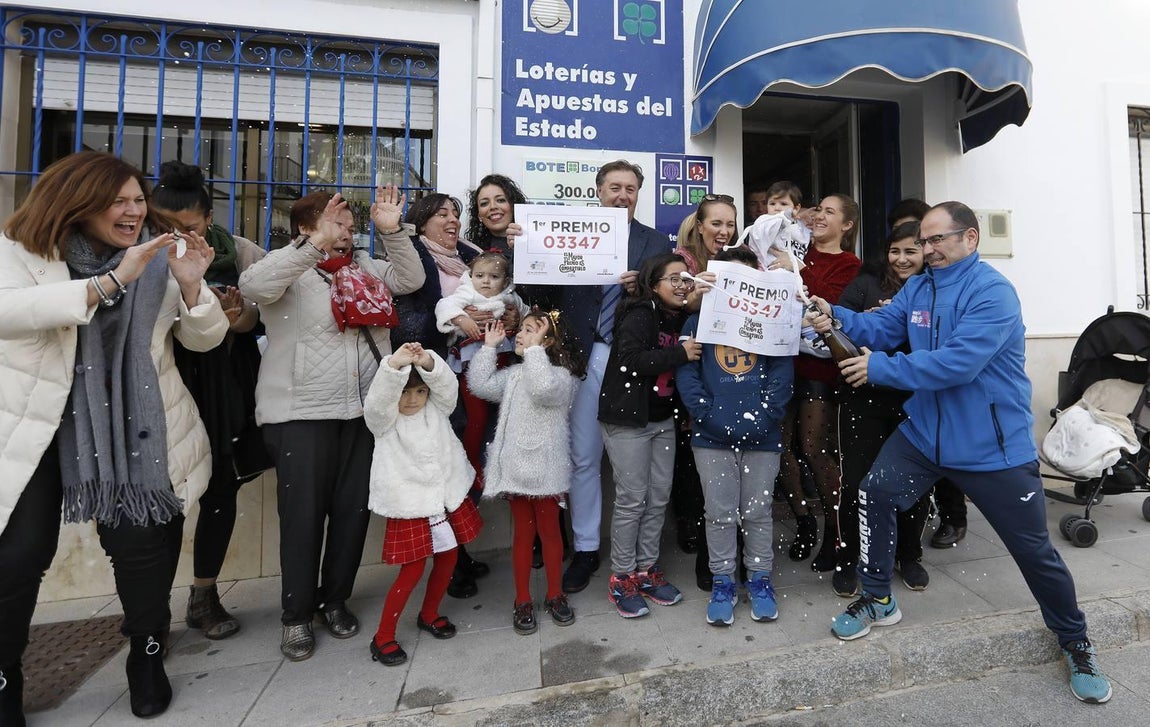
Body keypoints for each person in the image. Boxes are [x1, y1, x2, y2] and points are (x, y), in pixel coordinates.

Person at [811, 201, 1112, 704]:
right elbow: (882, 327)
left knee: (1033, 551)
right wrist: (833, 313)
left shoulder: (993, 292)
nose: (928, 250)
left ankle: (1074, 639)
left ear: (970, 238)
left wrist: (879, 369)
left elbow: (957, 364)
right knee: (876, 493)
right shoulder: (919, 287)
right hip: (925, 434)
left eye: (937, 240)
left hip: (990, 446)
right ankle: (878, 597)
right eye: (923, 242)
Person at [0, 151, 228, 721]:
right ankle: (5, 676)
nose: (134, 211)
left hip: (137, 426)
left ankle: (147, 655)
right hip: (41, 426)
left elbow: (203, 340)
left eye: (137, 200)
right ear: (77, 203)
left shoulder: (156, 256)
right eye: (118, 201)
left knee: (141, 544)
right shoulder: (23, 253)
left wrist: (193, 289)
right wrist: (107, 283)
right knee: (20, 554)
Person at [238, 185, 425, 662]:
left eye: (349, 225)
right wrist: (313, 246)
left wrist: (392, 232)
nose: (347, 231)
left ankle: (334, 600)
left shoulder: (365, 268)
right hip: (301, 414)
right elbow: (253, 288)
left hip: (363, 412)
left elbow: (411, 278)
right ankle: (296, 616)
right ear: (306, 227)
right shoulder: (287, 268)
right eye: (336, 223)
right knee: (302, 519)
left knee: (351, 513)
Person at [150, 160, 268, 640]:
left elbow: (265, 312)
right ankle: (150, 609)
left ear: (209, 218)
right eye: (165, 225)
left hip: (226, 379)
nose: (178, 236)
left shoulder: (241, 252)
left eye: (190, 227)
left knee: (221, 487)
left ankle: (204, 595)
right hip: (166, 380)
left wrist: (238, 316)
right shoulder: (139, 255)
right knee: (164, 497)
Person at [549, 160, 674, 595]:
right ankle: (586, 548)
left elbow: (670, 304)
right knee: (584, 457)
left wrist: (641, 291)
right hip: (585, 356)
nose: (623, 195)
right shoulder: (567, 231)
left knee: (632, 469)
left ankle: (640, 558)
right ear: (598, 191)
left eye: (631, 189)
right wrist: (521, 248)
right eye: (615, 187)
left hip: (633, 360)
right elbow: (542, 290)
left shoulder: (655, 242)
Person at [676, 245, 794, 626]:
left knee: (758, 511)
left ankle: (759, 579)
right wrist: (705, 414)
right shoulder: (696, 322)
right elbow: (687, 373)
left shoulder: (772, 320)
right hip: (711, 436)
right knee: (719, 513)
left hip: (763, 435)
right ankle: (723, 581)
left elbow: (782, 372)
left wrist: (766, 415)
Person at [362, 342, 482, 667]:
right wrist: (394, 367)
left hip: (443, 500)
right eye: (405, 392)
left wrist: (428, 361)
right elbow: (376, 406)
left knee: (449, 557)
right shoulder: (386, 420)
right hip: (411, 503)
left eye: (419, 391)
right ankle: (383, 636)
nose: (413, 399)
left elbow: (448, 390)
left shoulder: (436, 408)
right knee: (412, 570)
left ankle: (429, 613)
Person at [832, 221, 932, 598]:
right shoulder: (864, 285)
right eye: (895, 251)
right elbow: (837, 332)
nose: (902, 259)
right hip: (864, 397)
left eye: (911, 251)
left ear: (926, 252)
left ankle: (909, 555)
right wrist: (871, 321)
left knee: (912, 482)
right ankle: (848, 559)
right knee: (856, 482)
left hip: (912, 400)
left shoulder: (932, 290)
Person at [598, 253, 700, 617]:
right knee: (632, 499)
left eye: (686, 279)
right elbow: (632, 361)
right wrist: (679, 353)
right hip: (629, 419)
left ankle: (646, 570)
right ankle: (622, 576)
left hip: (663, 420)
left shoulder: (682, 318)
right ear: (653, 285)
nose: (681, 285)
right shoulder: (639, 313)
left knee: (658, 498)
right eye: (673, 278)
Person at [468, 313, 583, 634]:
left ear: (548, 342)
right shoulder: (515, 374)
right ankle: (522, 599)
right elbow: (480, 385)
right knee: (522, 535)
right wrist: (489, 348)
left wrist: (533, 352)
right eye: (521, 329)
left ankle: (555, 594)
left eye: (530, 331)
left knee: (550, 533)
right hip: (517, 469)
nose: (520, 335)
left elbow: (543, 389)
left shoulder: (561, 377)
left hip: (546, 471)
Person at [778, 194, 861, 566]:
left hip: (821, 370)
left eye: (830, 212)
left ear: (847, 225)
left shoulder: (850, 265)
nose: (821, 216)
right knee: (778, 448)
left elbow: (825, 303)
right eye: (819, 210)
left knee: (814, 449)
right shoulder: (795, 249)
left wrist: (794, 270)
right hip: (782, 364)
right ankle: (804, 520)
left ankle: (836, 531)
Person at [465, 174, 527, 254]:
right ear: (479, 215)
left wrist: (521, 247)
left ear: (513, 206)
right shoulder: (472, 252)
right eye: (484, 203)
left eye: (500, 200)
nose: (493, 207)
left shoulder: (535, 244)